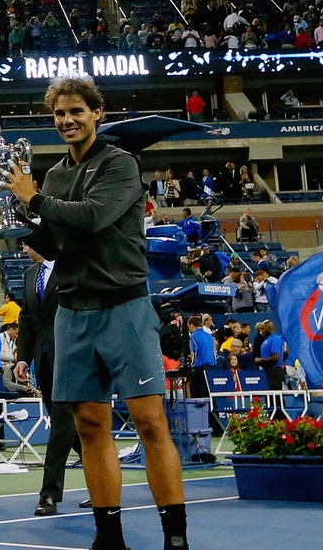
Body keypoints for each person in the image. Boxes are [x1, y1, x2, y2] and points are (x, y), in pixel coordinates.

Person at [10, 76, 189, 550]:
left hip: (124, 306)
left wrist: (33, 200)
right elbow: (54, 242)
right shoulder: (52, 177)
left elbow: (92, 218)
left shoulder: (121, 164)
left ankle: (176, 538)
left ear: (97, 114)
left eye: (76, 112)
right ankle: (109, 538)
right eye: (59, 115)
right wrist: (17, 223)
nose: (67, 121)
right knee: (90, 426)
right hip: (72, 311)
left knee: (150, 423)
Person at [14, 245, 81, 516]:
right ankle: (104, 479)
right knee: (68, 427)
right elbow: (28, 319)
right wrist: (22, 358)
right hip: (43, 362)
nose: (25, 247)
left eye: (29, 241)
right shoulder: (31, 274)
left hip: (71, 358)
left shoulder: (71, 267)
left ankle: (49, 494)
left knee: (61, 426)